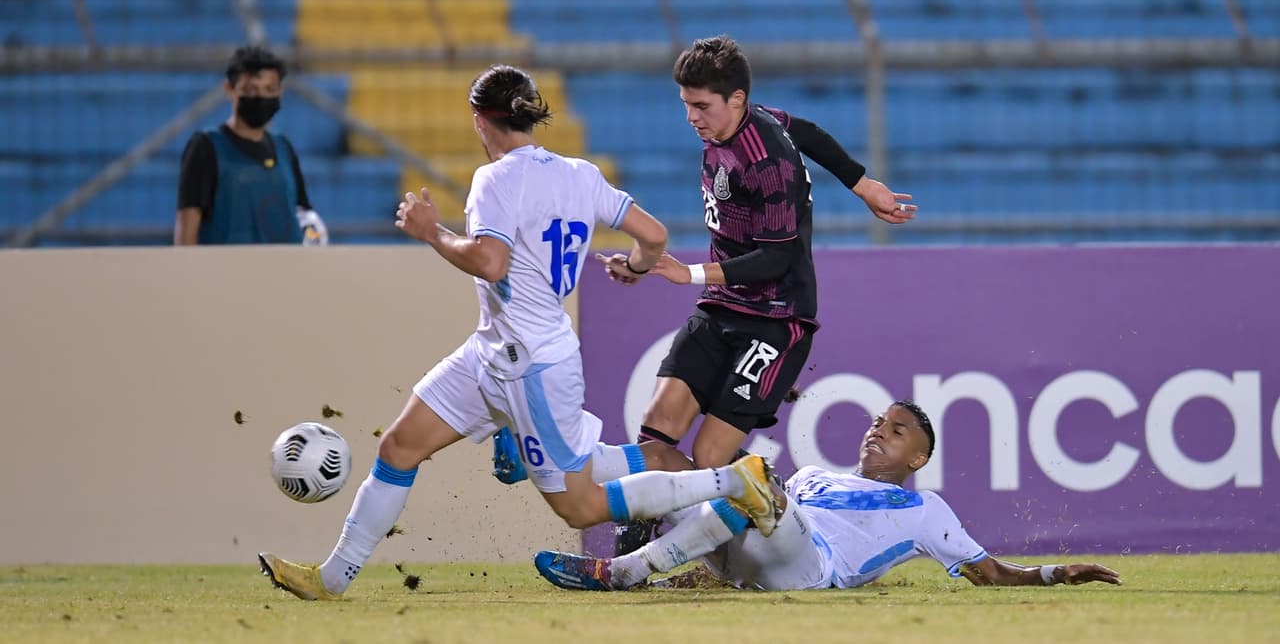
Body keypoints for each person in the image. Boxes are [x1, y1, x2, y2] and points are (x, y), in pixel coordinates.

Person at [258, 65, 785, 601]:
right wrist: (637, 265)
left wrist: (432, 232)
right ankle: (333, 578)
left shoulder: (496, 179)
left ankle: (735, 481)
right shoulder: (580, 174)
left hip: (533, 364)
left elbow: (490, 261)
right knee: (399, 447)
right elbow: (654, 234)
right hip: (491, 351)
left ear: (480, 120)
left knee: (581, 504)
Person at [605, 35, 916, 553]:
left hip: (776, 319)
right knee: (657, 427)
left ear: (736, 99)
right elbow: (808, 131)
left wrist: (691, 274)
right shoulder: (745, 120)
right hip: (723, 305)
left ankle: (773, 510)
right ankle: (628, 559)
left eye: (701, 106)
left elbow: (777, 258)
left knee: (709, 459)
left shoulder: (769, 162)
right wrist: (863, 184)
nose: (691, 118)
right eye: (686, 105)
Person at [535, 400, 1123, 592]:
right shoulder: (814, 474)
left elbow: (989, 573)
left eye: (897, 431)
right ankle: (564, 460)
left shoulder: (926, 510)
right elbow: (736, 528)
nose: (879, 431)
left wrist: (1055, 574)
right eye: (878, 422)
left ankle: (621, 571)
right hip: (750, 552)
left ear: (918, 459)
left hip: (812, 567)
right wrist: (695, 580)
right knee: (670, 457)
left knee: (752, 484)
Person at [174, 45, 327, 245]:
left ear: (280, 91)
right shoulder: (206, 148)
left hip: (282, 264)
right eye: (250, 90)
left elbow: (303, 216)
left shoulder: (284, 149)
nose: (260, 97)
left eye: (269, 90)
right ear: (230, 89)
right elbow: (186, 233)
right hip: (226, 265)